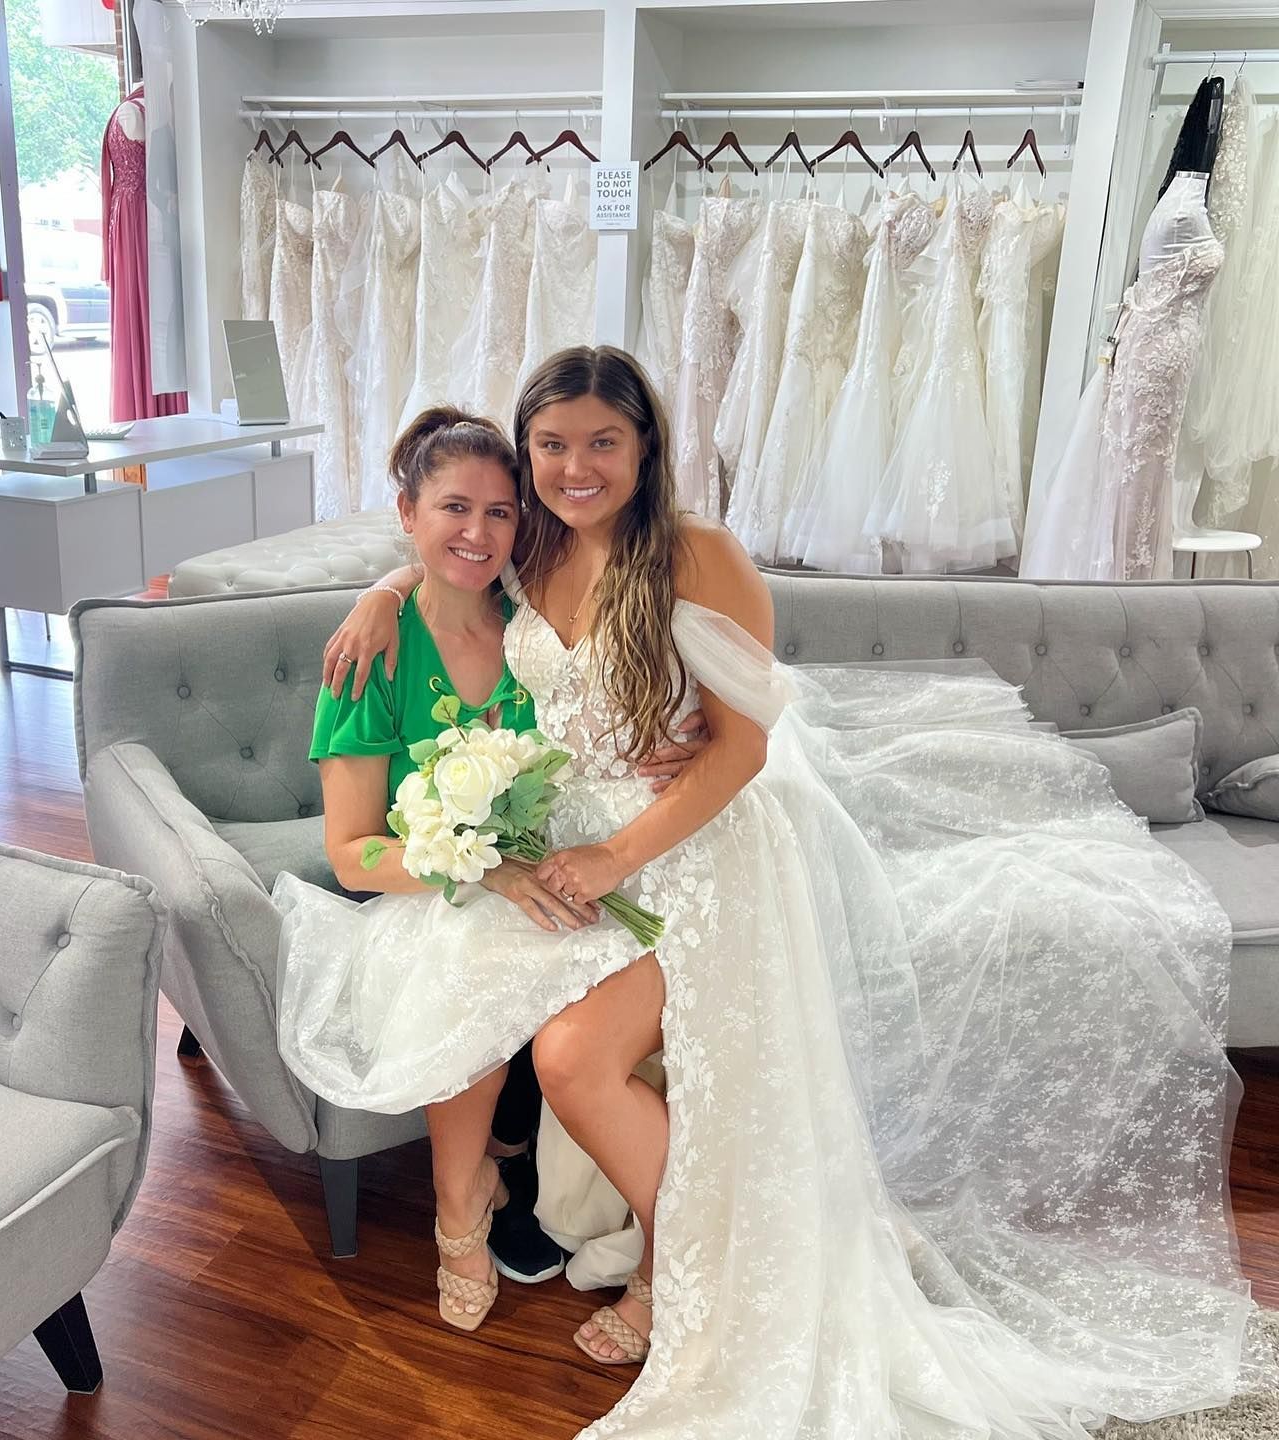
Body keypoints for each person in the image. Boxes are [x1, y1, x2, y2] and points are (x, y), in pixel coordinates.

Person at [291, 348, 1256, 1436]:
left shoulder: (698, 554)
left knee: (582, 1059)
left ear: (646, 444)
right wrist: (380, 591)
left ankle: (676, 1274)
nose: (575, 466)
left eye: (602, 441)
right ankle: (506, 1216)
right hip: (574, 850)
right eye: (551, 445)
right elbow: (446, 555)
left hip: (697, 853)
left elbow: (743, 748)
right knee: (525, 1027)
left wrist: (618, 856)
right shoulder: (532, 549)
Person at [275, 404, 708, 1328]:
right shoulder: (371, 660)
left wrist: (671, 738)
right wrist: (465, 866)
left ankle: (641, 1222)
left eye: (501, 512)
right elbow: (350, 852)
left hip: (566, 868)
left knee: (620, 962)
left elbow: (614, 701)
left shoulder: (533, 610)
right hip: (431, 887)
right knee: (464, 954)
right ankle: (459, 1209)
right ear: (407, 512)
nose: (477, 532)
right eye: (452, 509)